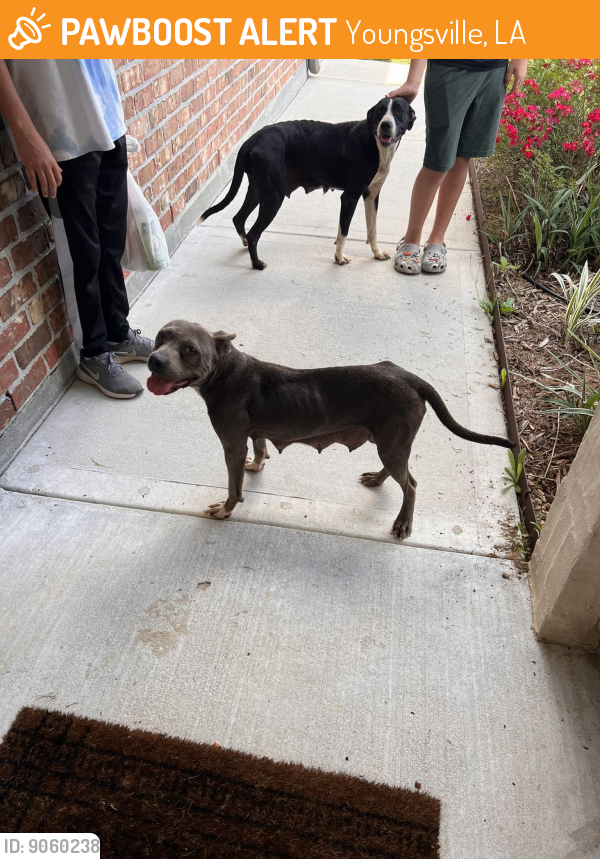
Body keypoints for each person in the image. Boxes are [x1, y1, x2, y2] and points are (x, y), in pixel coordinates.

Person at [0, 59, 154, 398]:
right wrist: (27, 139)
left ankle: (117, 332)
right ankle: (94, 353)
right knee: (82, 253)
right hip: (57, 130)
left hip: (107, 118)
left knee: (110, 243)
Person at [387, 58, 528, 276]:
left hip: (494, 71)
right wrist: (413, 81)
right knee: (438, 161)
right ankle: (410, 240)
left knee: (463, 158)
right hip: (449, 67)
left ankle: (437, 240)